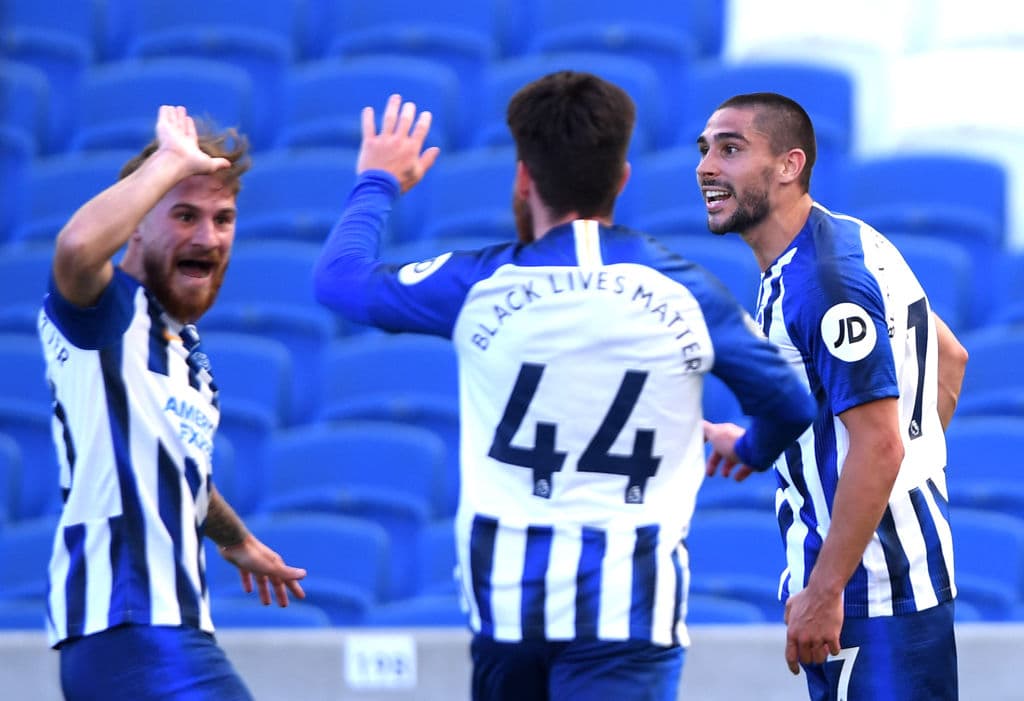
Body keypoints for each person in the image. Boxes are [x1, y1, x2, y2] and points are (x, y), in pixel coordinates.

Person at [313, 73, 816, 700]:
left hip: (506, 609)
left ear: (524, 178)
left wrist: (378, 181)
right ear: (622, 178)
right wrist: (746, 449)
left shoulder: (478, 284)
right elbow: (792, 404)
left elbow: (338, 281)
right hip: (632, 613)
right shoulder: (684, 291)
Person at [697, 92, 969, 701]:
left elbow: (878, 445)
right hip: (891, 578)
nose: (707, 166)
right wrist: (749, 444)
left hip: (870, 595)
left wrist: (824, 591)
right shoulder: (851, 242)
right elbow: (949, 360)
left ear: (790, 165)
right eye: (706, 148)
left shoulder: (822, 283)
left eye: (731, 148)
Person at [38, 105, 308, 700]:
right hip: (131, 627)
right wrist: (167, 163)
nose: (208, 237)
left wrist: (234, 538)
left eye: (223, 218)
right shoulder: (107, 314)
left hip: (159, 632)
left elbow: (176, 471)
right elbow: (77, 249)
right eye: (184, 215)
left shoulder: (186, 353)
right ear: (136, 223)